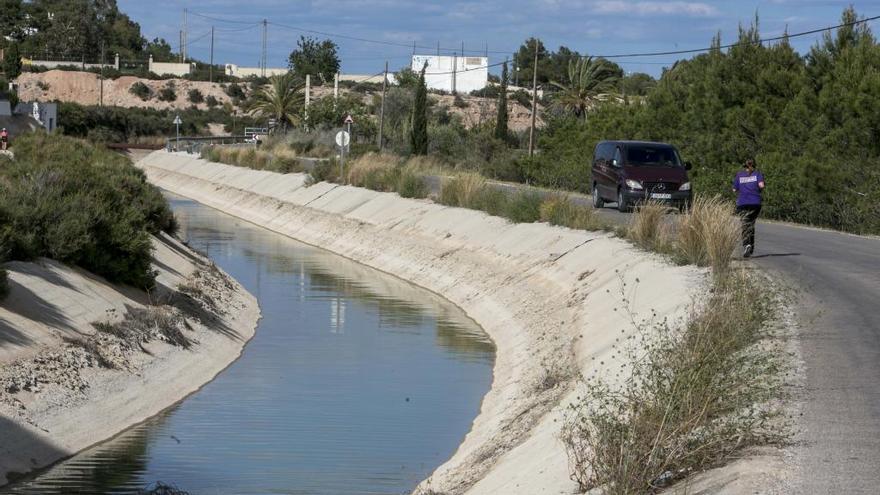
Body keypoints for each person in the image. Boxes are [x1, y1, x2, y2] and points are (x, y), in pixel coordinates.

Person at [732, 159, 765, 258]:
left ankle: (747, 245)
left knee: (745, 224)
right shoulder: (758, 174)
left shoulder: (739, 175)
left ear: (744, 166)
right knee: (751, 224)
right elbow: (761, 185)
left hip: (743, 203)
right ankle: (751, 249)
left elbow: (734, 189)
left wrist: (741, 188)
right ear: (754, 165)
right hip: (755, 203)